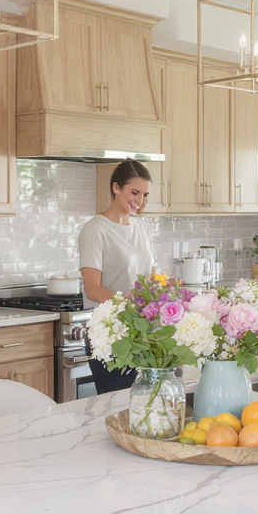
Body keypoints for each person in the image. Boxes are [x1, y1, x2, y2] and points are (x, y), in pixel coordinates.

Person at [79, 159, 156, 394]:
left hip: (142, 332)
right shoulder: (95, 230)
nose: (140, 201)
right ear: (116, 188)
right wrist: (133, 306)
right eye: (134, 192)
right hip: (109, 334)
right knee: (116, 407)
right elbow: (93, 289)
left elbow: (150, 278)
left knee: (149, 406)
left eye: (144, 194)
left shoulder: (142, 228)